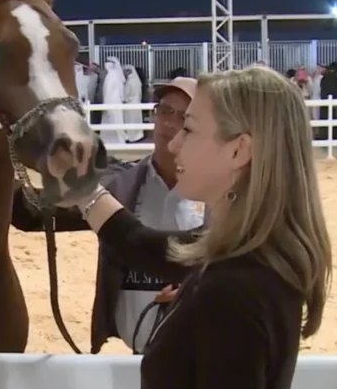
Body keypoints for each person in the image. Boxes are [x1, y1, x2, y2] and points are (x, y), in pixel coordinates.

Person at [53, 65, 332, 389]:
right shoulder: (251, 254)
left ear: (239, 150)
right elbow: (147, 246)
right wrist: (84, 189)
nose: (174, 140)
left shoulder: (233, 292)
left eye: (192, 129)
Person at [11, 76, 206, 356]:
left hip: (205, 346)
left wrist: (195, 289)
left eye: (184, 116)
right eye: (165, 110)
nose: (170, 123)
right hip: (142, 347)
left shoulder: (220, 196)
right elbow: (31, 215)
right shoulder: (122, 186)